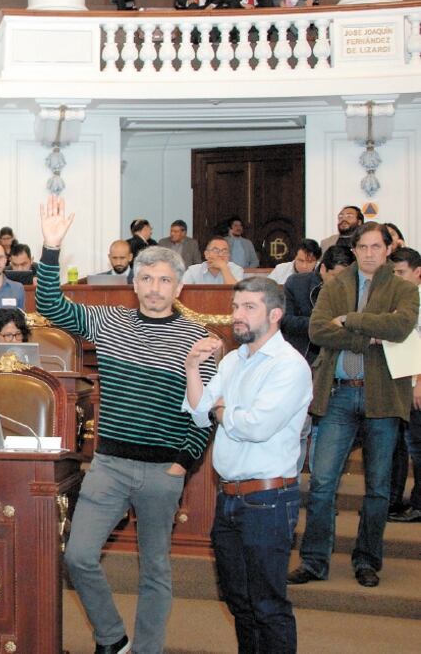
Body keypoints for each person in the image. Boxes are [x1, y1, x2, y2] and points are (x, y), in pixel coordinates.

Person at [35, 195, 216, 654]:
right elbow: (51, 305)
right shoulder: (109, 322)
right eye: (147, 278)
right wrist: (51, 247)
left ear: (179, 288)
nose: (155, 287)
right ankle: (112, 639)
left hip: (163, 472)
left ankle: (148, 650)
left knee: (155, 569)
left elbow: (204, 413)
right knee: (77, 557)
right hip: (109, 466)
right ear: (134, 283)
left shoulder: (198, 339)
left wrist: (183, 463)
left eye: (165, 280)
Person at [184, 277, 312, 654]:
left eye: (248, 308)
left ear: (274, 314)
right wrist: (193, 368)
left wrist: (222, 408)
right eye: (236, 306)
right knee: (239, 601)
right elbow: (199, 413)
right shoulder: (232, 360)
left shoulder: (290, 366)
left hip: (269, 500)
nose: (237, 315)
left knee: (268, 605)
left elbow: (255, 426)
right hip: (229, 498)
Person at [289, 222, 419, 589]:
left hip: (383, 396)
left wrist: (351, 321)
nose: (370, 253)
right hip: (339, 393)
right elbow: (317, 330)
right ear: (356, 249)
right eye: (363, 247)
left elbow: (402, 327)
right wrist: (368, 335)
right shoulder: (338, 284)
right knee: (322, 482)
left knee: (378, 488)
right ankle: (314, 561)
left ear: (387, 249)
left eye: (377, 247)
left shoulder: (402, 288)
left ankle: (367, 560)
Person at [387, 247, 421, 523]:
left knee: (418, 446)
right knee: (406, 444)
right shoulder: (399, 298)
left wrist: (419, 381)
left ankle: (419, 506)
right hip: (400, 381)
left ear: (418, 272)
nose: (396, 277)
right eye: (393, 272)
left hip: (416, 383)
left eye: (401, 272)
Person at [281, 244, 355, 364]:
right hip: (304, 355)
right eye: (336, 276)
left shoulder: (356, 288)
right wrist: (324, 324)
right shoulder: (296, 283)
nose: (342, 283)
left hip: (341, 355)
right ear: (323, 269)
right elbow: (285, 321)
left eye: (348, 278)